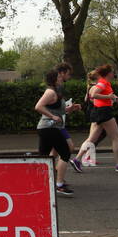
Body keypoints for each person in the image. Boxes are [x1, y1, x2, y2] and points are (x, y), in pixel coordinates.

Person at [35, 67, 80, 196]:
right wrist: (52, 117)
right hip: (49, 128)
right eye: (59, 77)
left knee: (44, 156)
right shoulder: (50, 92)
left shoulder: (55, 92)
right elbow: (38, 106)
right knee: (65, 152)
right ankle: (59, 184)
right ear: (55, 79)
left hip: (47, 129)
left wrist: (71, 109)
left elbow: (59, 111)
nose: (62, 79)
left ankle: (39, 181)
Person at [83, 65, 118, 172]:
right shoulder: (102, 83)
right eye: (112, 72)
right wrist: (109, 97)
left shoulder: (105, 83)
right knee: (115, 137)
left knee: (92, 139)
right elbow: (93, 95)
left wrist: (112, 98)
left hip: (100, 111)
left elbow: (96, 95)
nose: (113, 73)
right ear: (107, 73)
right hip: (103, 111)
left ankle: (78, 159)